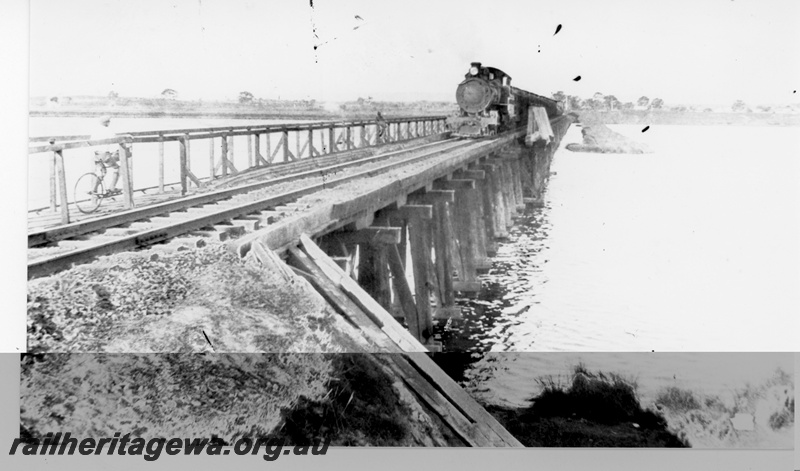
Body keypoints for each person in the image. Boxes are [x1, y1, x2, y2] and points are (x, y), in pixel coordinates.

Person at [90, 115, 121, 195]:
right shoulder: (108, 130)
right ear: (106, 122)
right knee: (117, 168)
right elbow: (115, 139)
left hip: (96, 155)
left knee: (102, 171)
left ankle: (94, 190)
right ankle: (112, 188)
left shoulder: (95, 130)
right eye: (109, 121)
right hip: (104, 154)